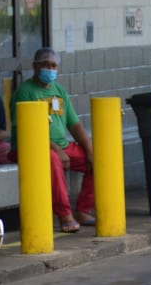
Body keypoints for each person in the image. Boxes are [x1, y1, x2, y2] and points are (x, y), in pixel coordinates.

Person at [9, 47, 94, 233]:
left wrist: (89, 150)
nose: (50, 69)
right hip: (31, 147)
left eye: (53, 65)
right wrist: (56, 149)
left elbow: (75, 125)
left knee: (100, 159)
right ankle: (65, 215)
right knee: (53, 159)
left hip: (61, 146)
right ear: (35, 66)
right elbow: (27, 131)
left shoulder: (59, 91)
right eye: (45, 65)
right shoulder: (24, 92)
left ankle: (83, 210)